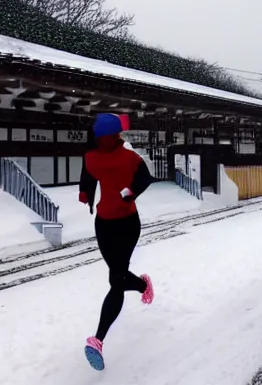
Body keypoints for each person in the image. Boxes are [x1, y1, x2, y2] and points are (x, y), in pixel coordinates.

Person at [79, 113, 154, 371]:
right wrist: (85, 193)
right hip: (103, 224)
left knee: (116, 279)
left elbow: (145, 179)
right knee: (118, 276)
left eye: (106, 137)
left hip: (127, 224)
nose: (101, 141)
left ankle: (97, 340)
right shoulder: (91, 156)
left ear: (115, 136)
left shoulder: (131, 158)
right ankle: (142, 284)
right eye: (98, 137)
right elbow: (88, 175)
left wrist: (131, 192)